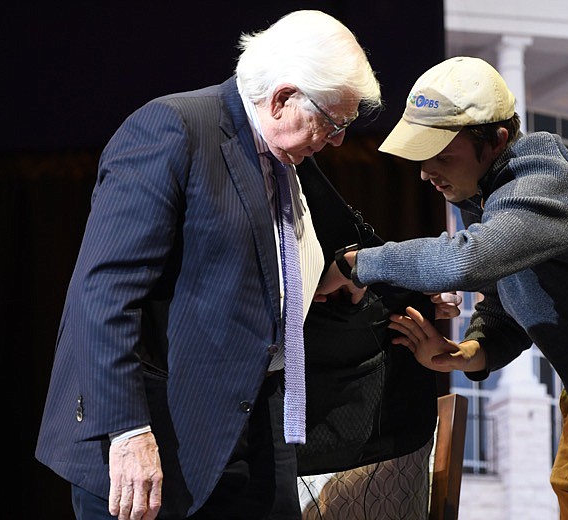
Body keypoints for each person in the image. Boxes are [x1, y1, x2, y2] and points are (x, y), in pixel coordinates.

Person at [315, 56, 568, 520]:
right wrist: (471, 352)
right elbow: (505, 303)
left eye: (442, 156)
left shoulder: (548, 178)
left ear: (497, 142)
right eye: (421, 156)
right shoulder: (483, 196)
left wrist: (356, 264)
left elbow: (467, 260)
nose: (426, 172)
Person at [36, 10, 383, 520]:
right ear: (284, 97)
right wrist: (128, 432)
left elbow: (283, 268)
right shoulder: (174, 128)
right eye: (333, 123)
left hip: (258, 428)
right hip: (160, 436)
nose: (337, 141)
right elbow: (102, 293)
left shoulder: (288, 160)